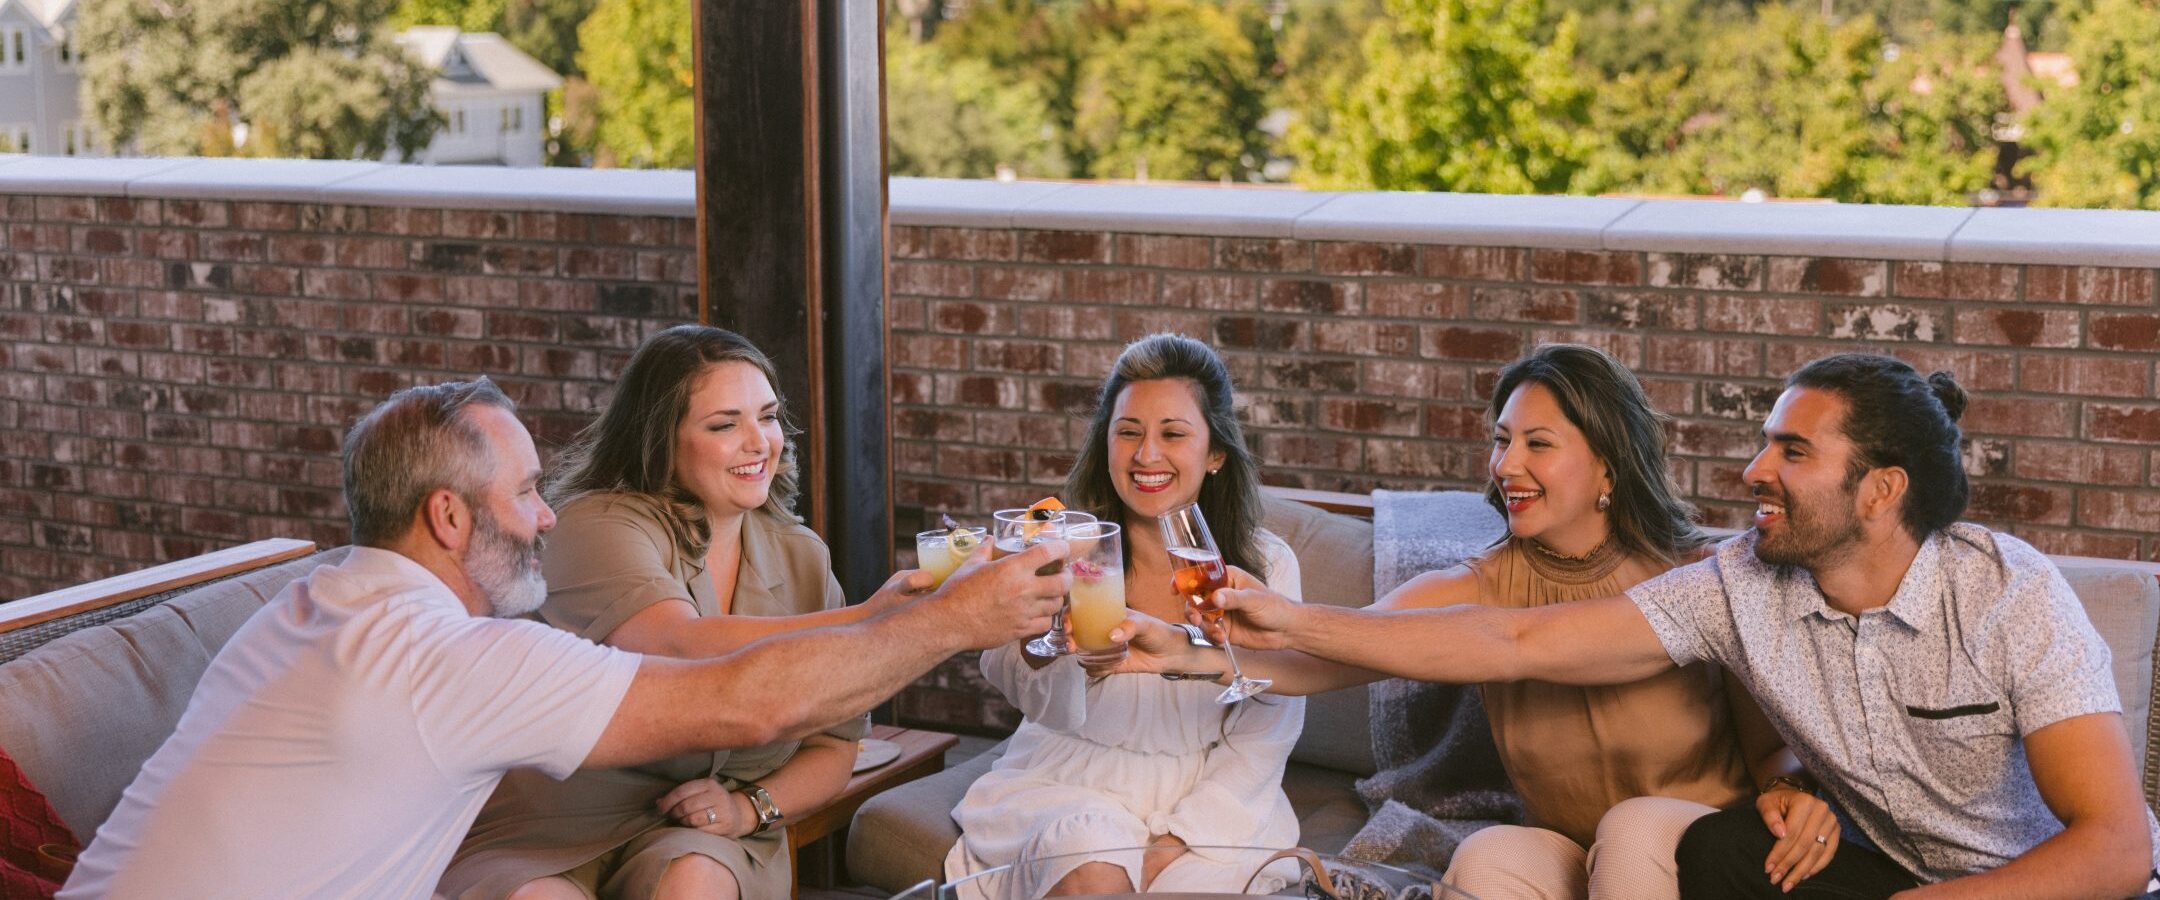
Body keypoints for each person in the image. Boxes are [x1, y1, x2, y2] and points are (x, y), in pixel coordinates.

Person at [1110, 354, 2160, 900]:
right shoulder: (1738, 585)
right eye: (1765, 445)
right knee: (1588, 857)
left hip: (2015, 887)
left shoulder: (2009, 595)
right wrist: (1236, 639)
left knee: (1661, 836)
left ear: (1882, 491)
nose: (1752, 472)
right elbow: (1511, 641)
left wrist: (1796, 794)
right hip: (1857, 869)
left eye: (1791, 453)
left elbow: (2114, 847)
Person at [60, 377, 1069, 899]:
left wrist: (896, 613)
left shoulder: (307, 606)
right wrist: (953, 621)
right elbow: (745, 699)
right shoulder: (443, 661)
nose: (548, 517)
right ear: (452, 520)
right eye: (529, 493)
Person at [442, 327, 884, 900]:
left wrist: (749, 809)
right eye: (725, 425)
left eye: (768, 416)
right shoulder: (596, 523)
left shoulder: (802, 557)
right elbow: (676, 644)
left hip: (702, 831)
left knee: (692, 881)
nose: (759, 442)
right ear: (661, 439)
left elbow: (833, 743)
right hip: (549, 826)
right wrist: (872, 622)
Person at [945, 333, 1305, 897]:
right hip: (1066, 781)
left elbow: (1270, 728)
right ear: (1105, 444)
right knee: (1092, 861)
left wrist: (1179, 839)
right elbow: (1014, 684)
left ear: (1215, 454)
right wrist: (1057, 654)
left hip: (1208, 796)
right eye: (1129, 432)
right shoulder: (1059, 547)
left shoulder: (1266, 566)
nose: (1146, 456)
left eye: (1173, 434)